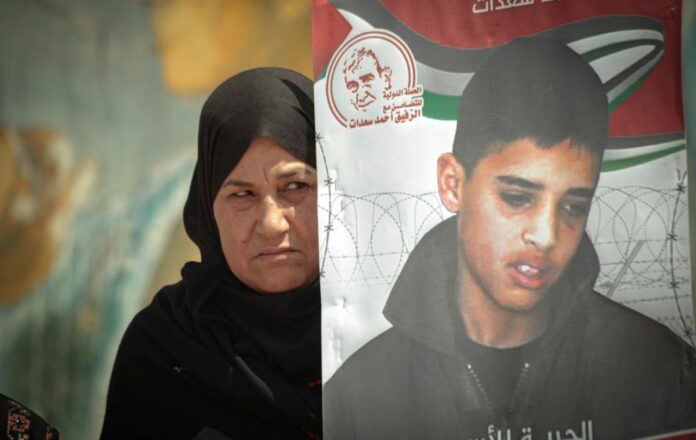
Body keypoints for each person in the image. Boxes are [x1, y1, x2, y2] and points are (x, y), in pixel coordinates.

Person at [324, 37, 696, 439]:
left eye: (573, 206)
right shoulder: (360, 399)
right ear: (453, 184)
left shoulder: (657, 371)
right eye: (517, 197)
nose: (545, 235)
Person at [100, 68, 322, 439]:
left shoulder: (390, 335)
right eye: (242, 194)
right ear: (207, 211)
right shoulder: (163, 349)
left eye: (295, 186)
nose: (271, 224)